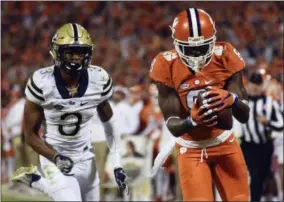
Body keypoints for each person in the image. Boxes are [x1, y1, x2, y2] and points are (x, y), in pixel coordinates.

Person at [11, 23, 128, 201]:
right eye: (70, 52)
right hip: (54, 156)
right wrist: (55, 157)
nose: (75, 57)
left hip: (86, 158)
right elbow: (30, 135)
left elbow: (110, 124)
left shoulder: (99, 79)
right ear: (57, 53)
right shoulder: (42, 82)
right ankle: (41, 181)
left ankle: (37, 181)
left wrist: (117, 163)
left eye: (80, 52)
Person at [149, 8, 250, 201]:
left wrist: (234, 100)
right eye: (190, 48)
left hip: (225, 142)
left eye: (202, 47)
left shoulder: (225, 54)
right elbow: (173, 126)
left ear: (213, 40)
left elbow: (244, 116)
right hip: (191, 148)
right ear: (176, 44)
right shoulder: (165, 64)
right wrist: (191, 121)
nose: (196, 54)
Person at [240, 72, 284, 201]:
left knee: (265, 174)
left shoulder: (270, 102)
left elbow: (281, 124)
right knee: (255, 175)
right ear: (249, 85)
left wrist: (268, 122)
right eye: (253, 84)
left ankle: (266, 195)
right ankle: (255, 198)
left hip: (265, 145)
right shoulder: (242, 102)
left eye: (258, 84)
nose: (255, 87)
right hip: (248, 144)